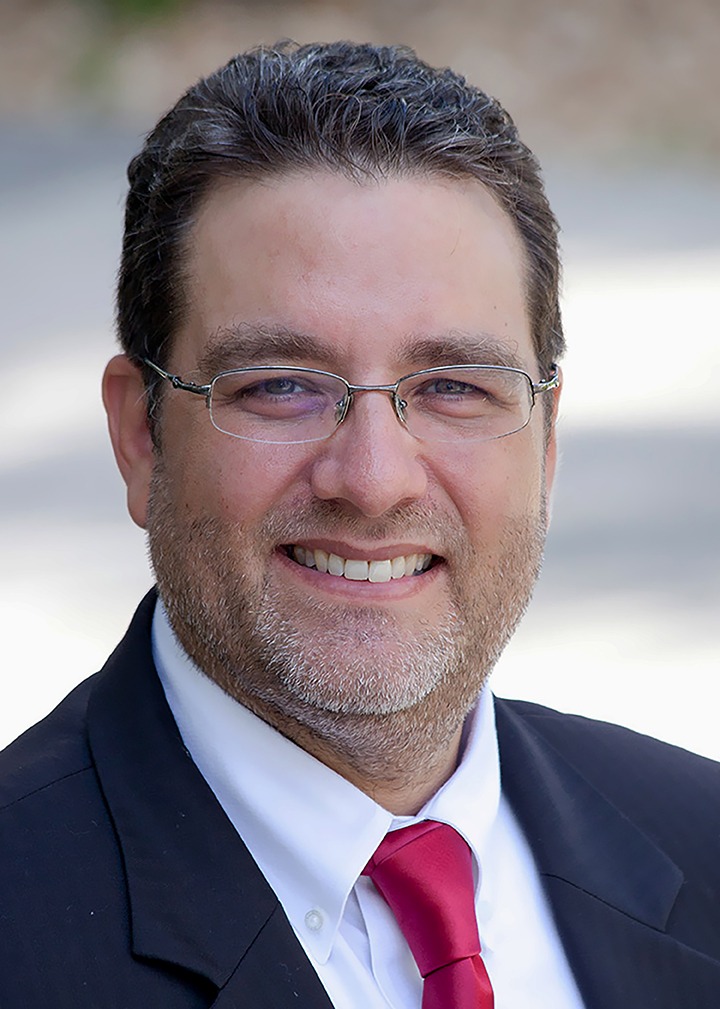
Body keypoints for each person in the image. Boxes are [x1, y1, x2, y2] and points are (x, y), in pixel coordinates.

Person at [1, 40, 718, 1009]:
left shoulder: (702, 843)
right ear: (140, 435)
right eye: (282, 385)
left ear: (546, 440)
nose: (373, 480)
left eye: (455, 385)